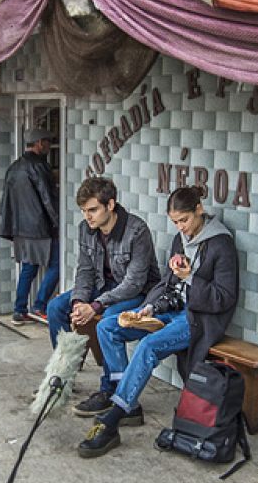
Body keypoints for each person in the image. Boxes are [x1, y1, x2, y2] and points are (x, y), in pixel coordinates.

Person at [78, 185, 239, 457]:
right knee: (108, 326)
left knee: (148, 346)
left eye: (184, 220)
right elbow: (167, 283)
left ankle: (115, 416)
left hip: (199, 318)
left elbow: (224, 298)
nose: (181, 228)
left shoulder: (221, 244)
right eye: (175, 222)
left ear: (199, 210)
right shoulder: (181, 239)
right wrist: (149, 307)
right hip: (172, 309)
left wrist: (190, 278)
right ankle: (123, 396)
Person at [45, 177, 160, 401]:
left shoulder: (137, 230)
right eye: (84, 210)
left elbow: (134, 282)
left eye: (93, 210)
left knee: (108, 316)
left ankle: (109, 389)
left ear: (110, 205)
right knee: (56, 307)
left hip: (138, 293)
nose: (87, 216)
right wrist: (79, 301)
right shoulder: (86, 229)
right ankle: (64, 377)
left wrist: (96, 305)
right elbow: (85, 270)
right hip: (102, 286)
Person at [0, 128, 59, 325]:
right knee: (57, 265)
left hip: (19, 228)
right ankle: (40, 305)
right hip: (39, 228)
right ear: (39, 143)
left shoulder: (14, 167)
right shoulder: (38, 167)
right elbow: (47, 198)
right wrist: (58, 222)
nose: (49, 146)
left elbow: (6, 201)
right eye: (48, 142)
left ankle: (19, 310)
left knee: (28, 268)